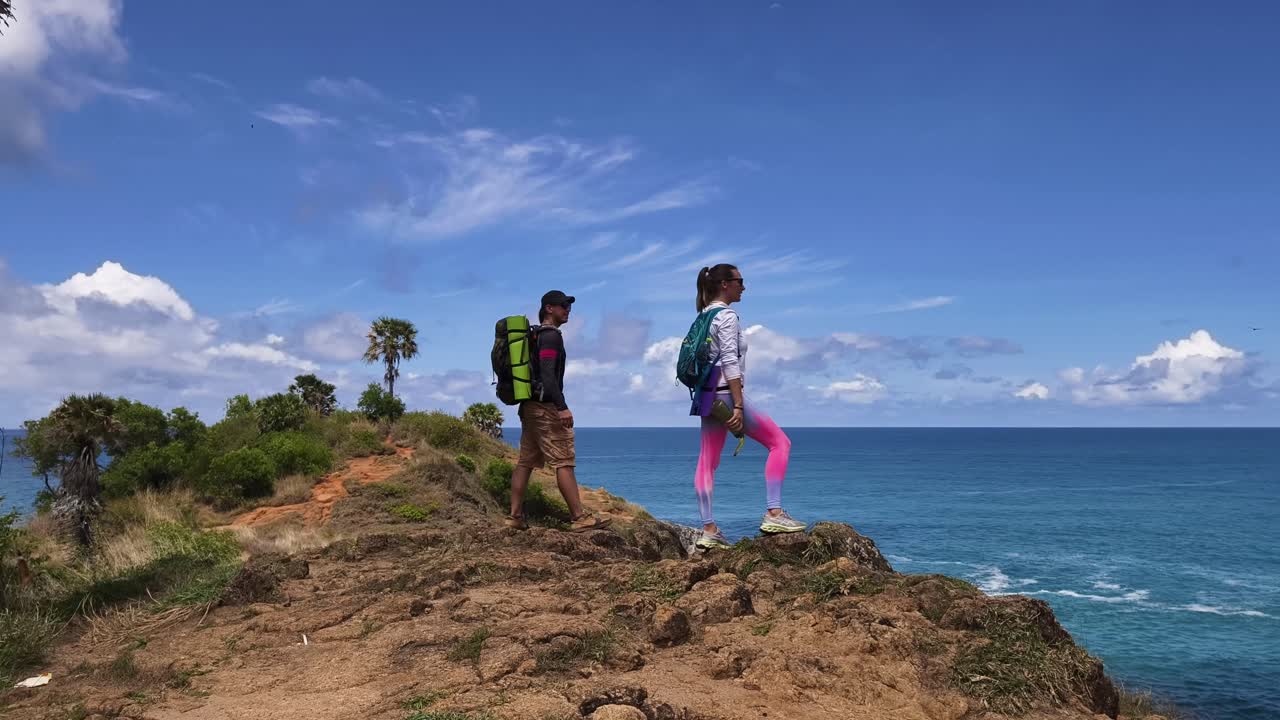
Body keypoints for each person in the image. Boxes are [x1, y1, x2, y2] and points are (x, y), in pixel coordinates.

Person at [690, 264, 804, 549]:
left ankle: (709, 530)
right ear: (725, 284)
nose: (744, 286)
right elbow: (730, 361)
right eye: (740, 281)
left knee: (707, 462)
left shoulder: (703, 316)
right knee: (781, 443)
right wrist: (738, 406)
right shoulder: (726, 317)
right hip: (727, 394)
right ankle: (774, 512)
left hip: (707, 396)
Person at [506, 290, 610, 532]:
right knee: (564, 460)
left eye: (568, 306)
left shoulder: (533, 336)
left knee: (525, 462)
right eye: (563, 305)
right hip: (545, 407)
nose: (567, 310)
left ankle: (514, 516)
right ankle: (578, 517)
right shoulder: (551, 336)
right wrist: (562, 407)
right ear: (549, 308)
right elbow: (548, 375)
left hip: (529, 407)